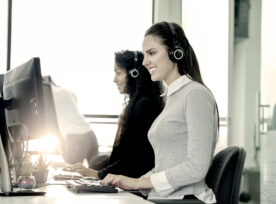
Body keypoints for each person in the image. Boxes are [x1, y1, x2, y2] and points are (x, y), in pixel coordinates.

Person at [100, 22, 219, 204]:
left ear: (175, 52)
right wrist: (132, 182)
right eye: (145, 54)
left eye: (152, 53)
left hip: (185, 199)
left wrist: (138, 182)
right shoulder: (173, 98)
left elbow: (196, 167)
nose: (144, 62)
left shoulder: (195, 94)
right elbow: (165, 166)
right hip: (167, 198)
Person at [67, 50, 164, 180]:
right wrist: (88, 169)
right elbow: (123, 155)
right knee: (96, 161)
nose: (114, 80)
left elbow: (135, 158)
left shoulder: (145, 105)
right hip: (129, 175)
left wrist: (97, 174)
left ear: (134, 74)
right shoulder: (137, 103)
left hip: (136, 182)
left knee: (96, 163)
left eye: (118, 73)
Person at [43, 76, 99, 165]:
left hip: (75, 137)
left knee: (71, 175)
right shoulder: (68, 92)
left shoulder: (47, 95)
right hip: (90, 134)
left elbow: (52, 123)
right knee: (95, 174)